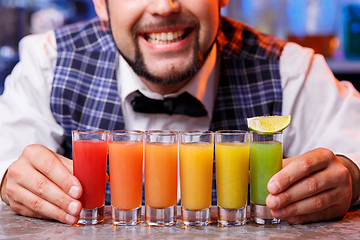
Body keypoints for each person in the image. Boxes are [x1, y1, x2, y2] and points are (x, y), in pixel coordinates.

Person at [1, 0, 360, 225]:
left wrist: (350, 176)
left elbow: (353, 150)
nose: (165, 6)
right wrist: (9, 179)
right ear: (101, 4)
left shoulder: (293, 69)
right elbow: (6, 155)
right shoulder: (49, 61)